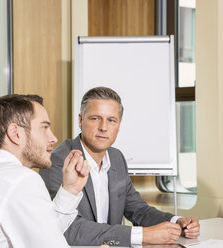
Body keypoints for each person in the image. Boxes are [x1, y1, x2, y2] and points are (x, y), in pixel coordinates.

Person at [0, 94, 109, 248]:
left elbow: (42, 232)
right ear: (16, 133)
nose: (53, 138)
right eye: (44, 127)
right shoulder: (20, 179)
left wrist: (70, 190)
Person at [40, 87, 200, 247]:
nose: (103, 127)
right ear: (81, 120)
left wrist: (177, 223)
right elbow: (70, 228)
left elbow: (138, 210)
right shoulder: (58, 161)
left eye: (111, 120)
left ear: (119, 124)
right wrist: (144, 235)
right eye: (95, 118)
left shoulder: (116, 158)